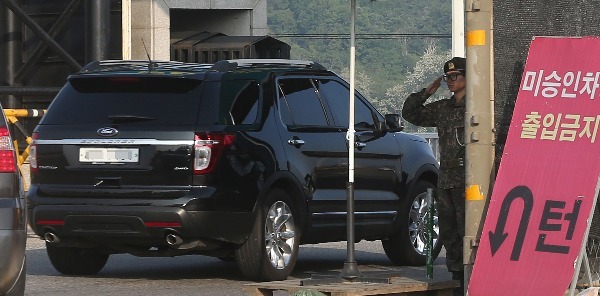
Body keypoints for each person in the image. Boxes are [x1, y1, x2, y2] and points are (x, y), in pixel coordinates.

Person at [401, 57, 466, 295]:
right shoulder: (443, 108)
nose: (450, 81)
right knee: (448, 229)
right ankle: (456, 275)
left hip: (467, 177)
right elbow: (411, 113)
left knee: (466, 228)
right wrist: (426, 92)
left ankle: (470, 275)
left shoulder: (477, 107)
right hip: (447, 176)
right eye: (448, 77)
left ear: (467, 78)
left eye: (455, 76)